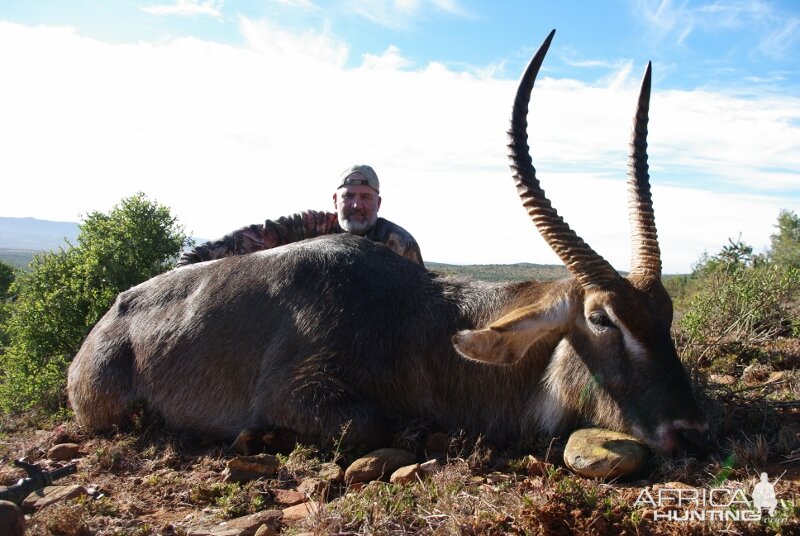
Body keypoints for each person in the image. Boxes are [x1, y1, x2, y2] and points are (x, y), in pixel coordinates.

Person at [176, 164, 423, 267]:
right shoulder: (313, 226)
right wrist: (197, 258)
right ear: (336, 201)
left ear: (378, 203)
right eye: (349, 196)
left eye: (365, 197)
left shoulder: (400, 244)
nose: (356, 205)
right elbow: (261, 235)